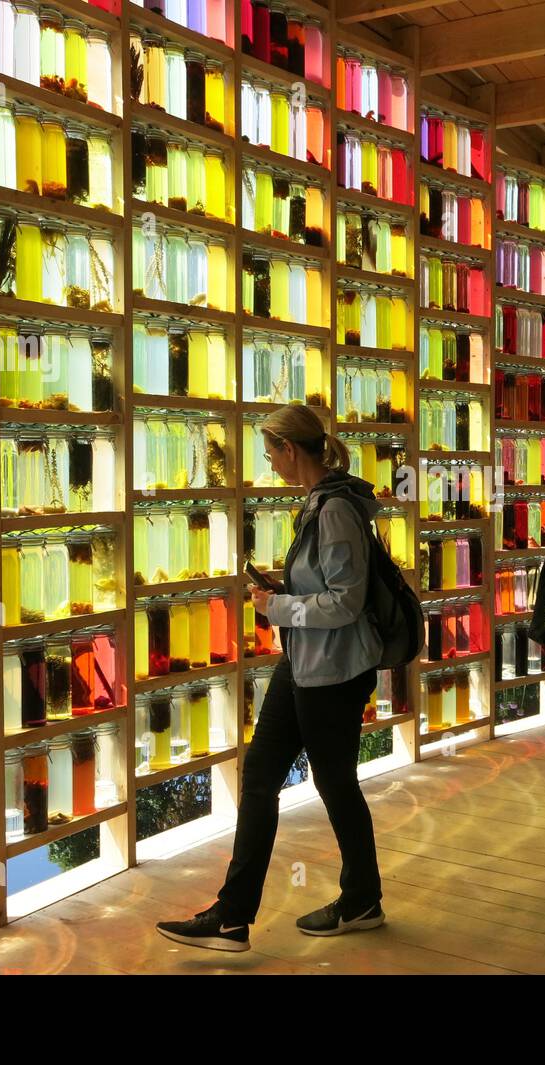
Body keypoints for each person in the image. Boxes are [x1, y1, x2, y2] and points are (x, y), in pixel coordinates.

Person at [157, 405, 386, 951]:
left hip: (333, 668)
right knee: (261, 777)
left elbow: (346, 601)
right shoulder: (320, 502)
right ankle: (233, 916)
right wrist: (284, 591)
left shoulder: (332, 509)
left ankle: (362, 898)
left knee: (333, 782)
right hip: (307, 660)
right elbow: (329, 584)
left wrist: (279, 607)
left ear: (290, 450)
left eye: (270, 451)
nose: (270, 462)